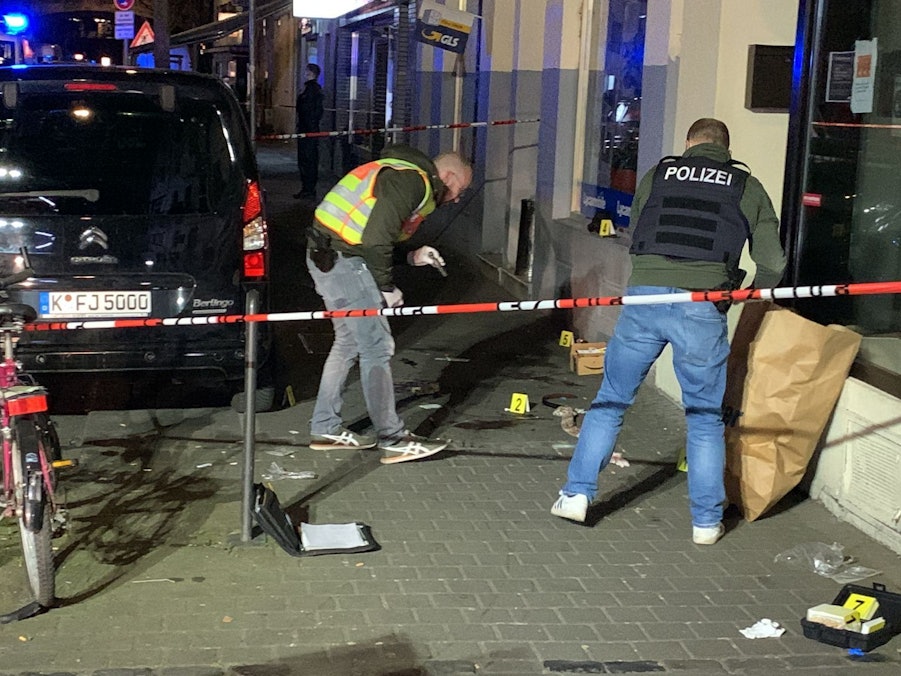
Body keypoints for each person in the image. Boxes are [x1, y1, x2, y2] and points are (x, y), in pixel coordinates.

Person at [551, 118, 786, 544]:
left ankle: (576, 496)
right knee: (704, 418)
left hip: (643, 301)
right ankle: (705, 522)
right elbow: (774, 262)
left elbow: (639, 230)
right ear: (725, 150)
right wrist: (744, 294)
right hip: (700, 307)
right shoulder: (745, 186)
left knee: (610, 401)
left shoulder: (660, 174)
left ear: (689, 143)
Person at [306, 144, 473, 464]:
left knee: (348, 342)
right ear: (448, 176)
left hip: (327, 255)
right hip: (343, 261)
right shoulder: (414, 181)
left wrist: (413, 255)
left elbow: (371, 232)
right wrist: (386, 287)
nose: (457, 199)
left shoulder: (399, 173)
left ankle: (325, 427)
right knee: (377, 346)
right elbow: (374, 239)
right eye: (460, 190)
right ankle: (393, 439)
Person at [294, 63, 324, 200]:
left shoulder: (310, 90)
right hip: (309, 130)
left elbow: (307, 111)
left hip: (308, 131)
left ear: (310, 73)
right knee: (308, 160)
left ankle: (308, 189)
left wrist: (307, 130)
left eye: (306, 71)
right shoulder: (314, 89)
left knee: (307, 161)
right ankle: (307, 189)